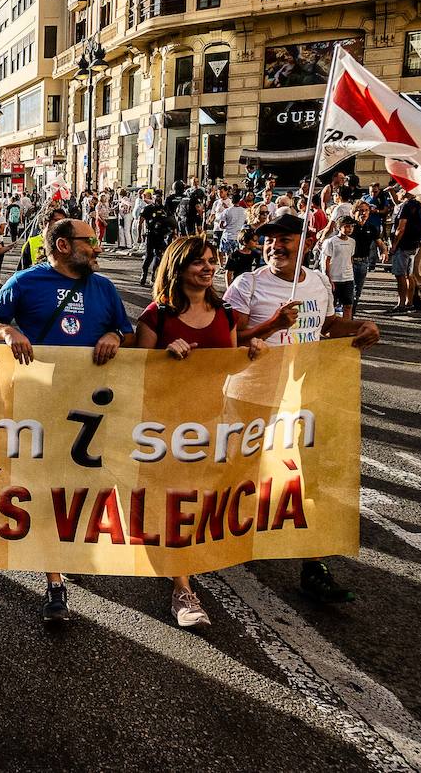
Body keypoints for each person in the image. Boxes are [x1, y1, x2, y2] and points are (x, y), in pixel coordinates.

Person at [0, 218, 133, 622]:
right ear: (63, 245)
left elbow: (125, 330)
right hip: (40, 402)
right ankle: (55, 582)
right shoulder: (27, 282)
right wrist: (7, 332)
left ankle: (72, 548)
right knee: (45, 488)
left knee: (83, 486)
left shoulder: (104, 287)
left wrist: (115, 336)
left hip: (92, 407)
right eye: (90, 241)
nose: (98, 247)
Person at [223, 212, 379, 602]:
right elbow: (228, 337)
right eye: (269, 240)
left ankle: (314, 565)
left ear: (305, 243)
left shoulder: (319, 283)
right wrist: (273, 324)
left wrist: (361, 327)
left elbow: (325, 326)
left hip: (303, 395)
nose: (275, 245)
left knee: (303, 477)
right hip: (252, 394)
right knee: (240, 472)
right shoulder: (248, 284)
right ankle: (225, 539)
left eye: (285, 239)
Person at [134, 236, 266, 628]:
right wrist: (163, 359)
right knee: (175, 501)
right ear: (179, 267)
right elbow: (136, 374)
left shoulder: (224, 313)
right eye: (198, 262)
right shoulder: (155, 316)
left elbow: (228, 368)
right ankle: (182, 590)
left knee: (192, 501)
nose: (208, 268)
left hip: (207, 423)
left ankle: (176, 567)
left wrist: (251, 355)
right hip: (163, 426)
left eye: (212, 261)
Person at [387, 189, 421, 314]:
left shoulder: (406, 206)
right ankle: (409, 302)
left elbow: (401, 228)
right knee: (409, 275)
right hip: (413, 244)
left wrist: (394, 245)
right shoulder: (417, 205)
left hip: (403, 245)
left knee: (400, 275)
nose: (398, 193)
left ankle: (401, 304)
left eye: (400, 191)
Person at [321, 216, 358, 317]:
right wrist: (328, 278)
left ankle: (346, 327)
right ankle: (330, 328)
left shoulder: (352, 242)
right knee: (331, 306)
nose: (349, 229)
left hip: (348, 278)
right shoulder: (331, 241)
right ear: (339, 227)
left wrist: (350, 273)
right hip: (334, 278)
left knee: (348, 305)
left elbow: (350, 258)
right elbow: (326, 260)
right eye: (346, 226)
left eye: (351, 226)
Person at [138, 190, 176, 285]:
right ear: (153, 198)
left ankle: (154, 276)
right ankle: (144, 274)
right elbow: (141, 221)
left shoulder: (165, 209)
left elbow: (172, 221)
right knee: (149, 256)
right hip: (151, 235)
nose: (158, 199)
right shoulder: (148, 209)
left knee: (158, 256)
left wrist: (172, 232)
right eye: (156, 197)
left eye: (159, 197)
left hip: (161, 236)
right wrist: (139, 235)